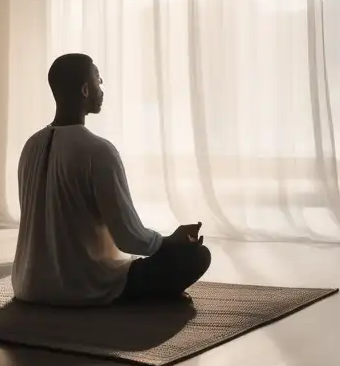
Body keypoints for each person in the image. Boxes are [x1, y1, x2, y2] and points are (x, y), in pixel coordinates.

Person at [11, 53, 211, 306]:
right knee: (197, 256)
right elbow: (129, 238)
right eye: (98, 80)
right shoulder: (99, 150)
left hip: (28, 286)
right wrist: (170, 241)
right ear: (85, 89)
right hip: (84, 288)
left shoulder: (31, 145)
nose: (101, 86)